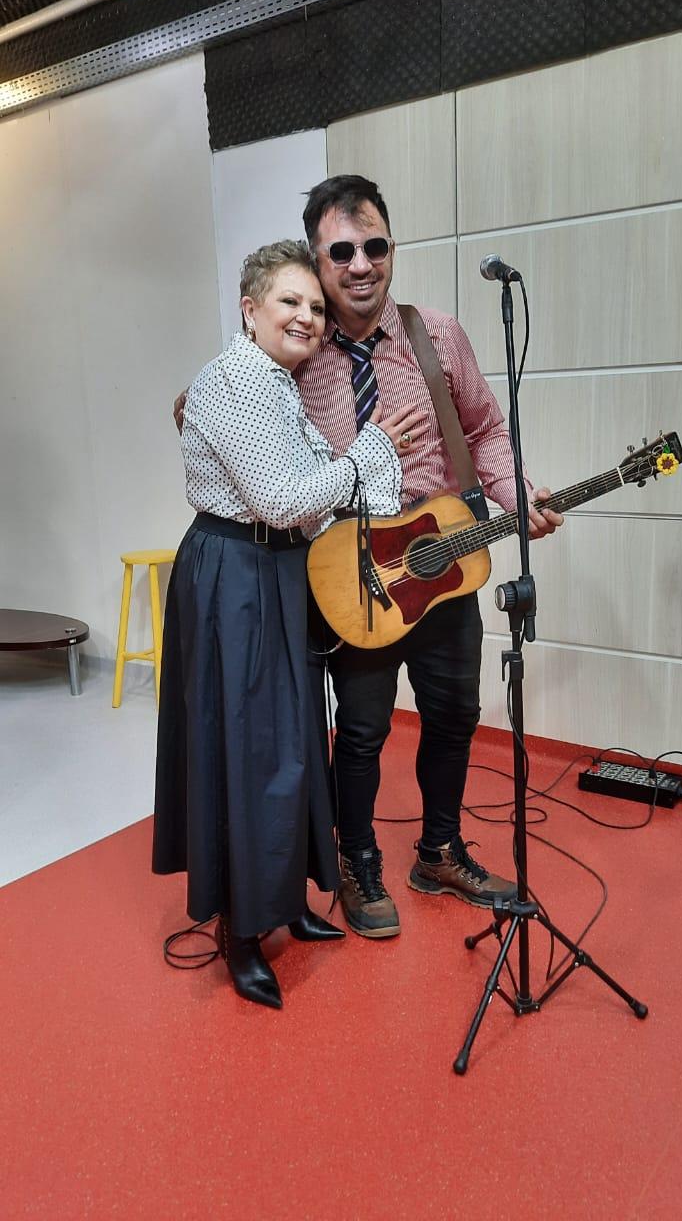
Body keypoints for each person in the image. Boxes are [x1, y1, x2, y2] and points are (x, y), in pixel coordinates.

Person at [154, 238, 427, 1007]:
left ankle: (288, 903)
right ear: (251, 309)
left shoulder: (278, 380)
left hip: (278, 569)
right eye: (289, 302)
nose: (307, 316)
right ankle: (242, 931)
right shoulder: (237, 377)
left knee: (299, 737)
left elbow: (308, 493)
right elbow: (280, 499)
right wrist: (369, 451)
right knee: (248, 748)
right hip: (235, 572)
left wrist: (355, 476)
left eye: (314, 305)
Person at [294, 175, 564, 939]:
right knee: (363, 730)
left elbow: (484, 430)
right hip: (359, 576)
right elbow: (239, 406)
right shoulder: (296, 346)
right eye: (340, 251)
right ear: (316, 259)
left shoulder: (436, 334)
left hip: (444, 564)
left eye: (374, 245)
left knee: (453, 716)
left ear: (392, 247)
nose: (360, 264)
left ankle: (439, 852)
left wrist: (516, 494)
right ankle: (358, 861)